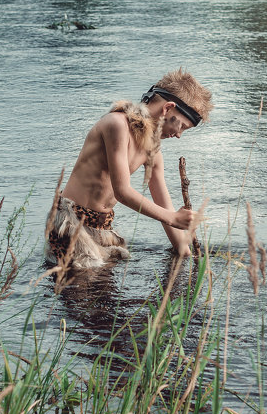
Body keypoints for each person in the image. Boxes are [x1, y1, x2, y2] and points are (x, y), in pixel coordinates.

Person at [45, 69, 213, 269]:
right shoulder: (116, 125)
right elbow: (122, 192)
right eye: (182, 127)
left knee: (104, 293)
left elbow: (164, 204)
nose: (179, 135)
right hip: (71, 223)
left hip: (103, 227)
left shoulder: (153, 151)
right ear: (168, 108)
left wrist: (185, 254)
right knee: (83, 292)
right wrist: (172, 217)